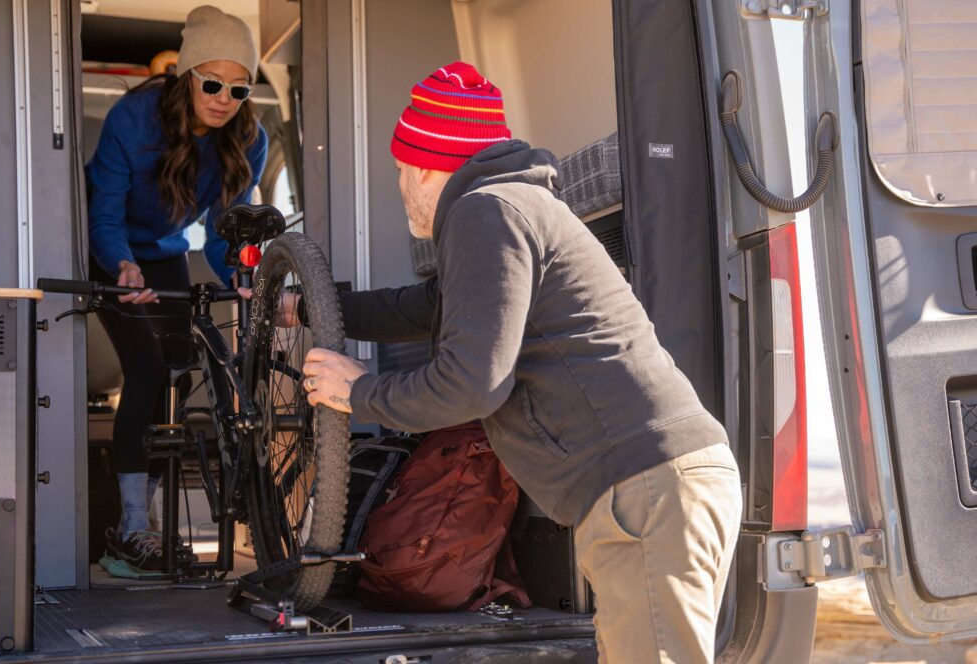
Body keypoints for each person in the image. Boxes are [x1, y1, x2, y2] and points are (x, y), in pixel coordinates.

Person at [297, 62, 742, 663]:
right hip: (659, 486)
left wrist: (359, 392)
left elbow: (470, 386)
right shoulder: (511, 205)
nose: (399, 181)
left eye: (402, 167)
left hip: (649, 494)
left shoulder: (485, 211)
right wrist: (313, 309)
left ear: (429, 167)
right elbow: (428, 307)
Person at [86, 5, 267, 574]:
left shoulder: (249, 139)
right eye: (212, 83)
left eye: (239, 88)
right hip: (111, 253)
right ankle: (130, 530)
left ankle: (154, 521)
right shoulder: (133, 120)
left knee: (178, 373)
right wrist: (120, 267)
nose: (223, 98)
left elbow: (223, 233)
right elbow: (104, 217)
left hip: (163, 257)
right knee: (143, 369)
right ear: (187, 75)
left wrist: (241, 276)